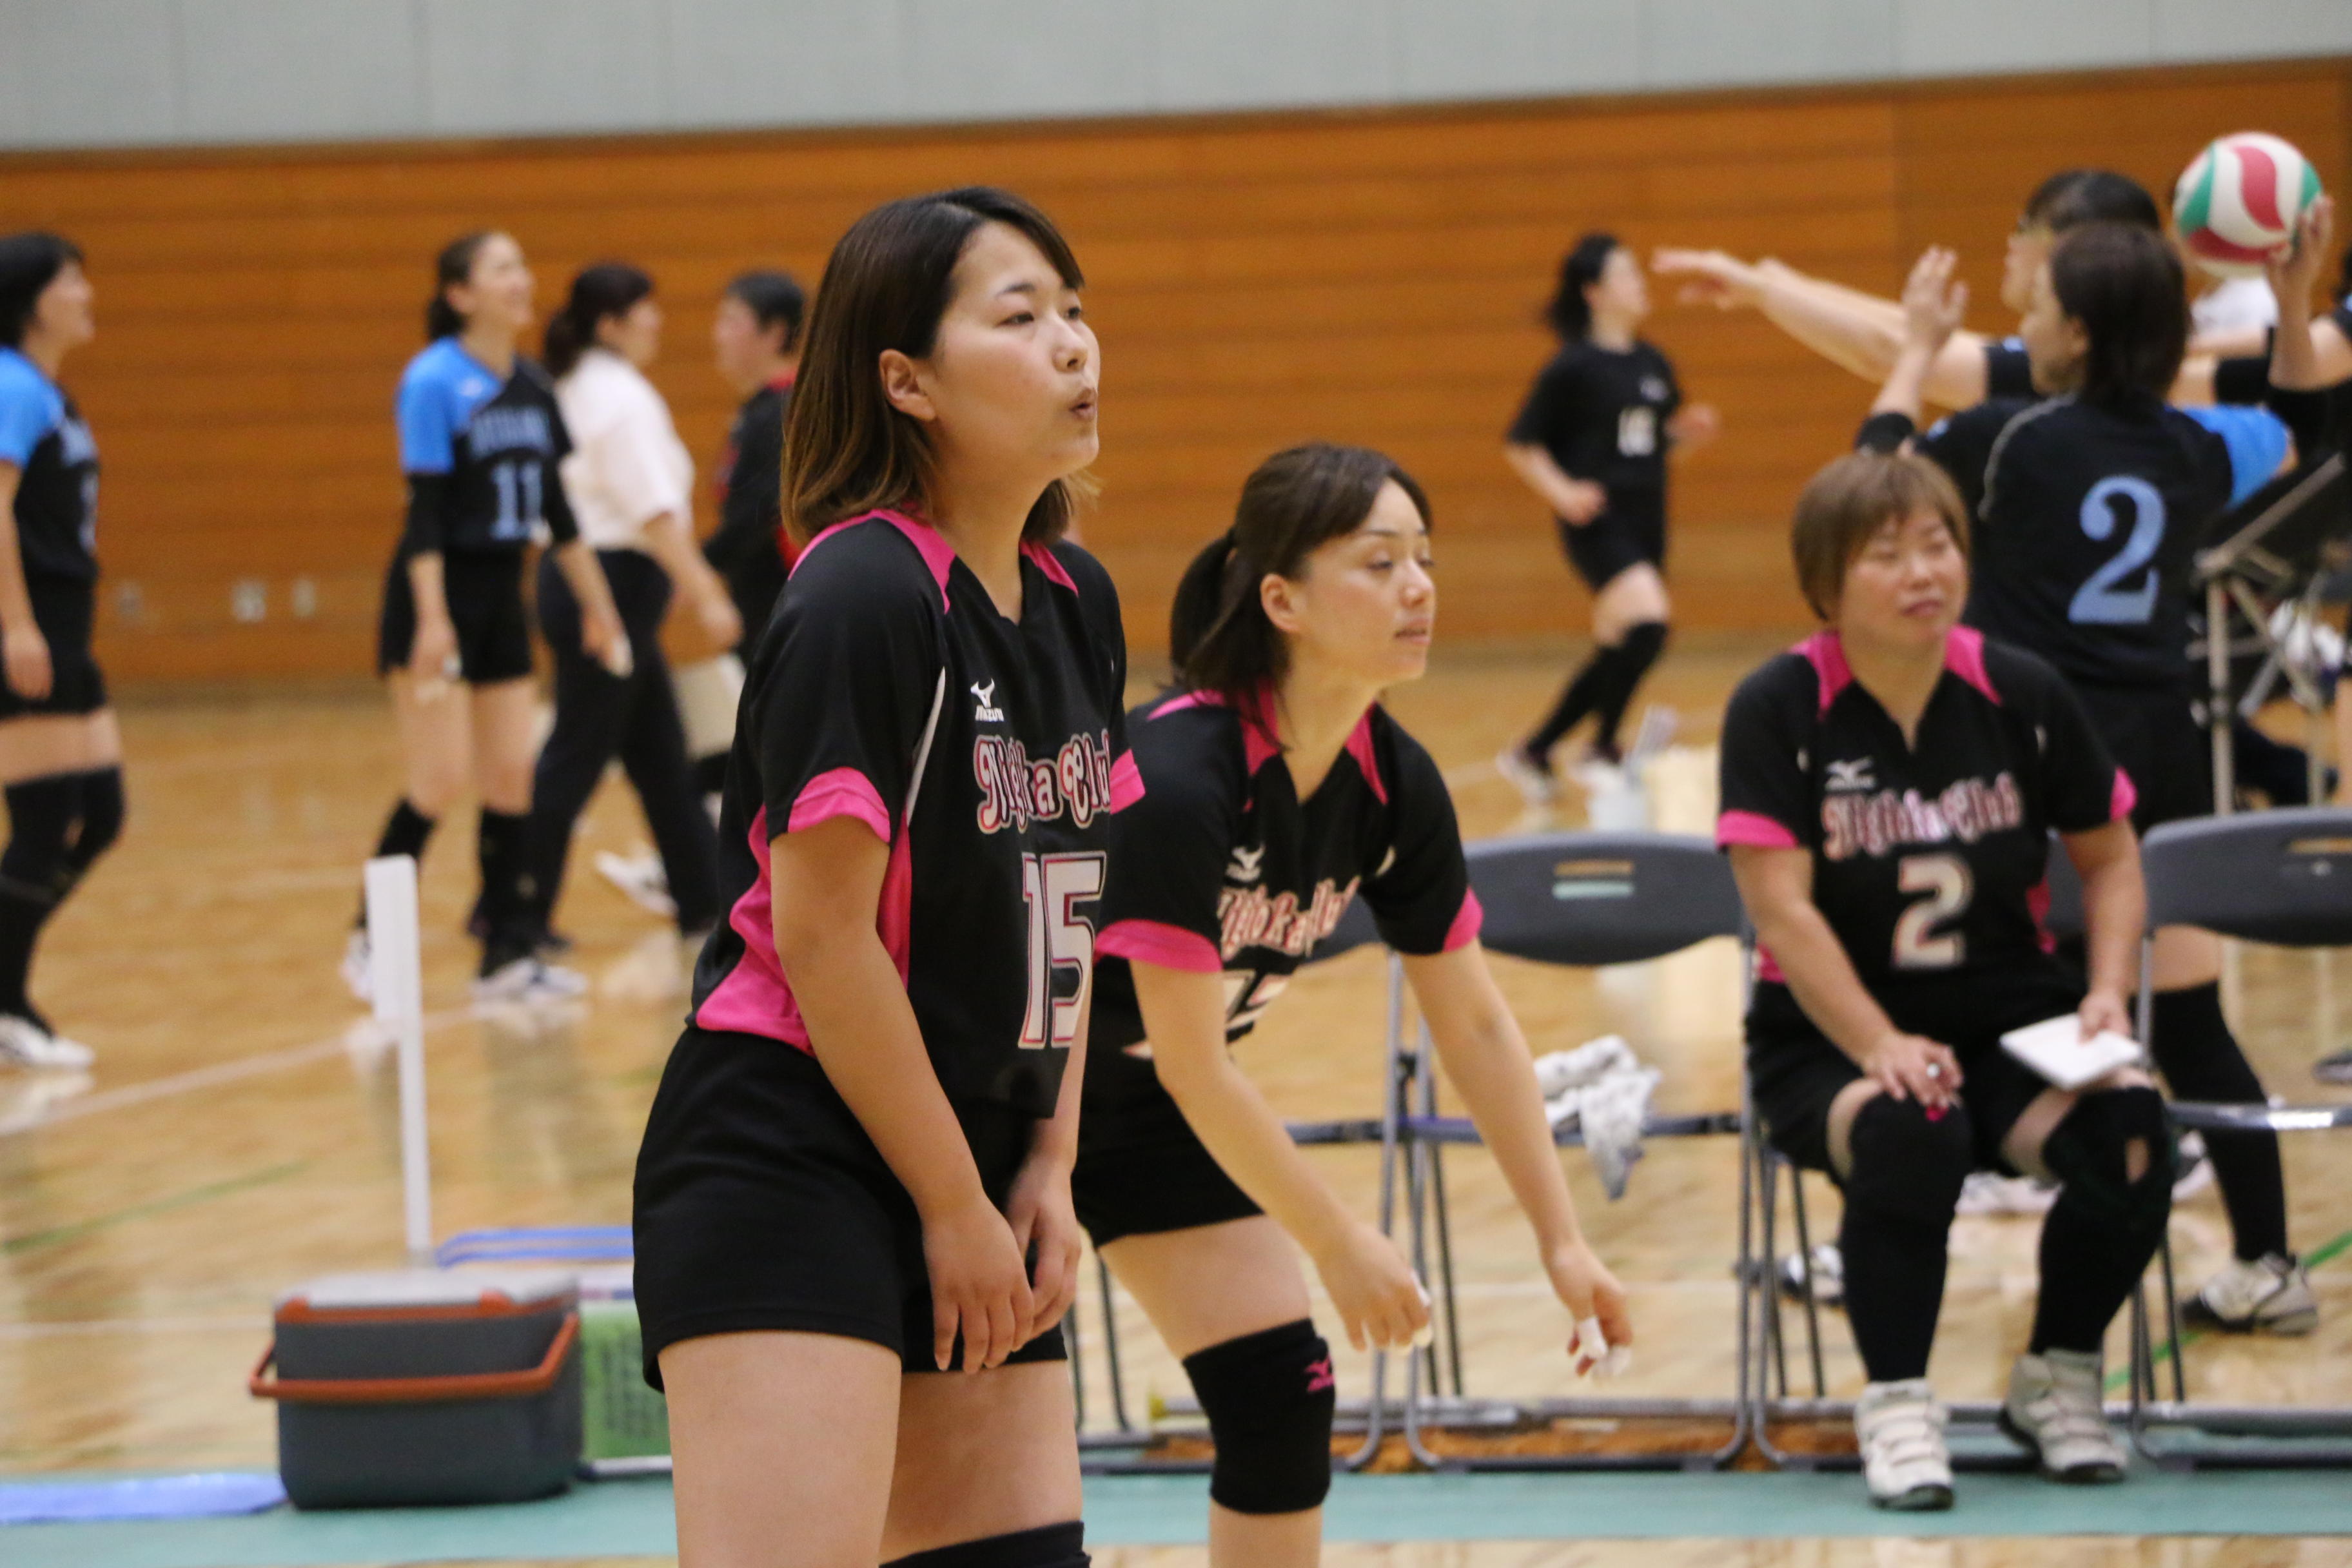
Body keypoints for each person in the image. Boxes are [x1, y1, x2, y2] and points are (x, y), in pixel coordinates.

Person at [633, 187, 1128, 1568]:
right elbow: (824, 938)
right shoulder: (865, 593)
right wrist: (953, 1205)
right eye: (1020, 318)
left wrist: (1048, 1159)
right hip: (793, 1149)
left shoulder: (1077, 600)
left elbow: (1071, 912)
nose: (1071, 344)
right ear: (905, 380)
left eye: (1074, 311)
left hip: (981, 1153)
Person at [1076, 442, 1631, 1567]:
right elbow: (1194, 1061)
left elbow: (1474, 1022)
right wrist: (1336, 1239)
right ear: (1281, 599)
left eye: (1423, 559)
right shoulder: (1178, 776)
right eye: (1380, 563)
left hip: (1137, 1113)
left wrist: (1561, 1239)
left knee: (1280, 1398)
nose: (1418, 587)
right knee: (971, 1460)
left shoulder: (1393, 779)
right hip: (994, 1110)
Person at [1858, 211, 2335, 1336]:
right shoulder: (2196, 446)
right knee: (2189, 1020)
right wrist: (2294, 296)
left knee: (1997, 1011)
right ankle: (2267, 1260)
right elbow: (2305, 427)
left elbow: (1869, 485)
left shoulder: (2005, 437)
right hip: (2163, 753)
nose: (2019, 327)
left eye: (2032, 311)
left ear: (2071, 332)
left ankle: (1915, 1245)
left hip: (2035, 756)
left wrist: (1915, 352)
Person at [1721, 449, 2164, 1509]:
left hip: (2011, 1025)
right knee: (1908, 1126)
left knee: (2132, 1133)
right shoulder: (1778, 706)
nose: (1922, 572)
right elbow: (1780, 909)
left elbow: (2111, 860)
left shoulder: (2021, 690)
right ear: (1825, 586)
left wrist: (2106, 992)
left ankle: (2056, 1377)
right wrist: (1876, 1044)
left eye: (1938, 545)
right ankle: (1897, 1404)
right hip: (1827, 1041)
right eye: (1887, 555)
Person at [349, 231, 625, 1004]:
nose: (521, 279)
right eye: (502, 268)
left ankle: (506, 954)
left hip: (504, 592)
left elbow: (560, 514)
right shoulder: (433, 380)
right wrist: (433, 620)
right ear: (461, 294)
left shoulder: (533, 385)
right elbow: (424, 514)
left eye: (522, 265)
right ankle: (369, 936)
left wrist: (601, 608)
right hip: (438, 593)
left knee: (510, 778)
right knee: (438, 778)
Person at [523, 264, 738, 970]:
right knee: (577, 753)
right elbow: (652, 513)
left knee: (660, 754)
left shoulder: (585, 387)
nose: (656, 322)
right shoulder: (616, 397)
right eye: (644, 311)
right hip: (604, 589)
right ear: (610, 324)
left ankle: (703, 899)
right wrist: (706, 591)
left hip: (609, 582)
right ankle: (516, 910)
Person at [599, 269, 806, 919]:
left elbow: (755, 518)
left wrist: (690, 572)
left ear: (773, 333)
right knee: (744, 745)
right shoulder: (758, 413)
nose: (717, 335)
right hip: (759, 611)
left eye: (732, 321)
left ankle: (704, 864)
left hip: (785, 611)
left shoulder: (783, 411)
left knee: (766, 750)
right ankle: (691, 860)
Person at [1498, 235, 1719, 803]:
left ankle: (1536, 750)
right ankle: (1601, 748)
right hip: (1597, 521)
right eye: (1626, 275)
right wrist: (1563, 492)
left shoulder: (1653, 363)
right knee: (1649, 624)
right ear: (1593, 292)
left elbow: (1650, 447)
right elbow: (1522, 443)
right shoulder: (1571, 367)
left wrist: (1684, 437)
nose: (1640, 284)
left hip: (1649, 519)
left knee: (1621, 642)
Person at [0, 234, 115, 1070]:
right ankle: (8, 1005)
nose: (86, 294)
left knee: (100, 812)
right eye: (71, 281)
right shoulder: (11, 384)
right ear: (32, 299)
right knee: (45, 820)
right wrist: (15, 625)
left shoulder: (47, 391)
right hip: (29, 624)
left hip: (67, 624)